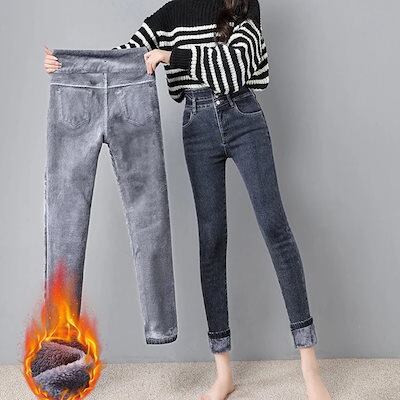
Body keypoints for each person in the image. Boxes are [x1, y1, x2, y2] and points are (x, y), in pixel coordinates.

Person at [44, 0, 332, 399]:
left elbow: (234, 68)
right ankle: (223, 373)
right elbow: (121, 61)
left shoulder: (243, 3)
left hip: (242, 115)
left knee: (274, 227)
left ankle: (309, 366)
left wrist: (170, 55)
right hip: (196, 127)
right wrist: (71, 69)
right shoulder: (172, 13)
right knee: (211, 241)